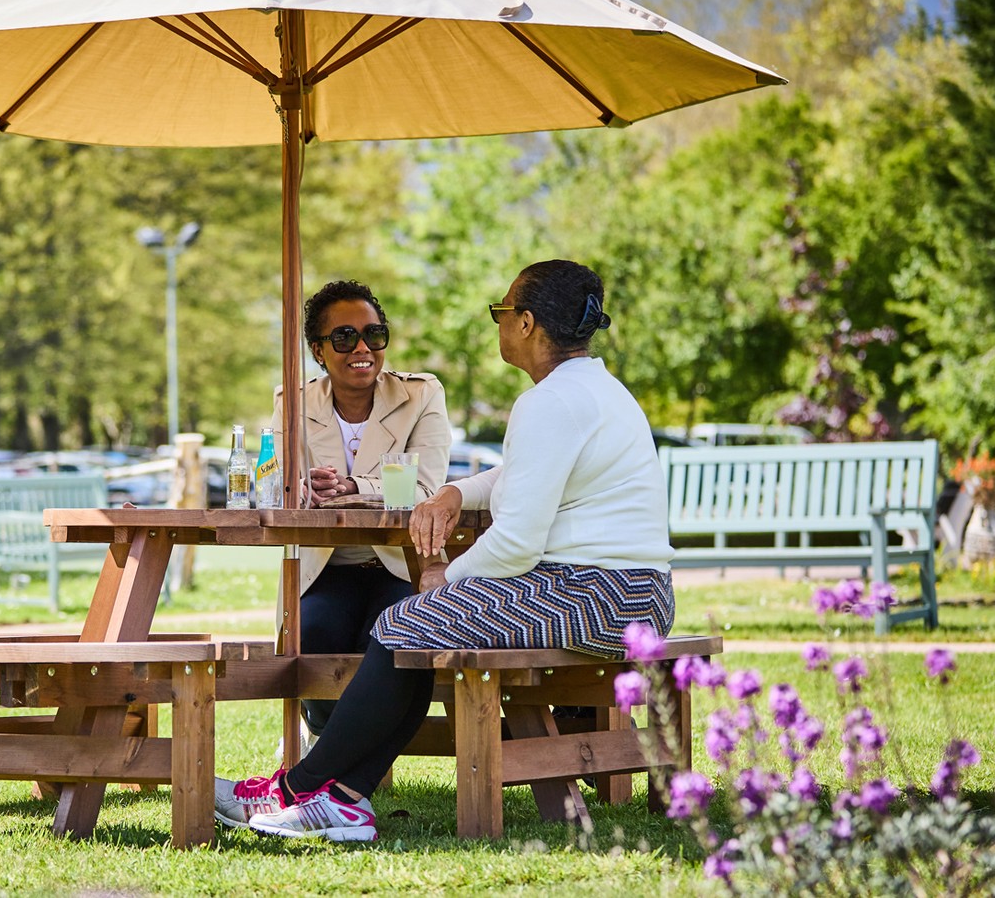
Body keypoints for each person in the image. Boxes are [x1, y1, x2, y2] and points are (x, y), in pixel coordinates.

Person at [215, 259, 675, 842]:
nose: (500, 324)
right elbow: (520, 475)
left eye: (503, 313)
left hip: (598, 596)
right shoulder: (593, 389)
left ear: (528, 324)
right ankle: (340, 798)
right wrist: (459, 490)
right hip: (633, 594)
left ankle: (304, 789)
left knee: (407, 621)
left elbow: (515, 543)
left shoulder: (548, 403)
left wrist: (449, 579)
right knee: (410, 627)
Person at [270, 279, 451, 748]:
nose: (362, 348)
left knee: (391, 631)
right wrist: (303, 489)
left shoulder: (421, 396)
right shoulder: (293, 401)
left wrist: (351, 487)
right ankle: (332, 742)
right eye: (345, 337)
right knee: (313, 630)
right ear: (318, 349)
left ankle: (340, 758)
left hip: (400, 565)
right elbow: (280, 484)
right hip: (325, 567)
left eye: (375, 334)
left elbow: (426, 487)